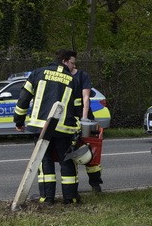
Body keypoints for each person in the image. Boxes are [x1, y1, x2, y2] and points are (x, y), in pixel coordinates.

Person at [13, 49, 83, 205]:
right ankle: (70, 198)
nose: (74, 67)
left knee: (45, 161)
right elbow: (78, 108)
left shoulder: (38, 73)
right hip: (64, 129)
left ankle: (47, 199)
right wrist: (77, 127)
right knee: (67, 162)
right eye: (72, 63)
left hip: (41, 128)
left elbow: (23, 99)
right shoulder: (73, 80)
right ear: (64, 61)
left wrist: (19, 121)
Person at [68, 57, 103, 192]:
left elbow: (86, 98)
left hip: (86, 121)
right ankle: (72, 187)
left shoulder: (83, 76)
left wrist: (84, 118)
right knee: (71, 153)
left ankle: (95, 183)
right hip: (69, 120)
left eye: (72, 62)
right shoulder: (62, 76)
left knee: (92, 152)